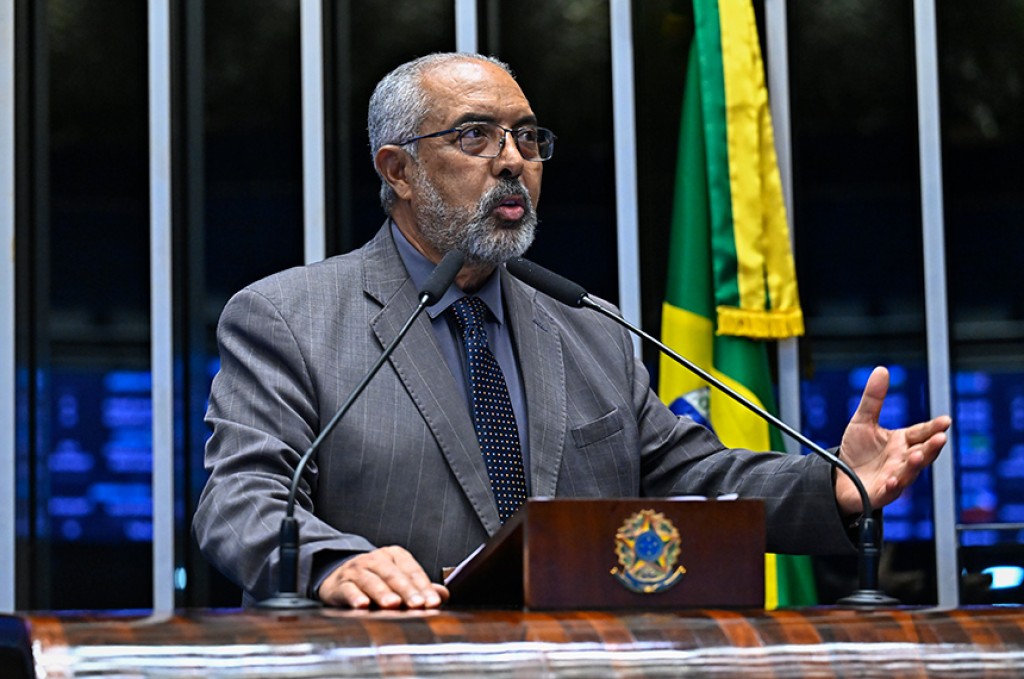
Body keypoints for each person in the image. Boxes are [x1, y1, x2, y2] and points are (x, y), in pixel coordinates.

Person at [193, 52, 951, 610]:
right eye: (476, 136)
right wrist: (331, 564)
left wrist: (837, 486)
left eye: (527, 138)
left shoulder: (588, 325)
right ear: (398, 170)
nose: (512, 162)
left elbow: (689, 480)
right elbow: (242, 497)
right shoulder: (291, 317)